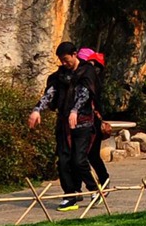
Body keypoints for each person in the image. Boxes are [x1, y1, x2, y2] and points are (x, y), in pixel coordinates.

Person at [28, 41, 98, 212]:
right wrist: (37, 110)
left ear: (75, 55)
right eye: (61, 61)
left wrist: (75, 110)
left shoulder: (87, 71)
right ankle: (70, 195)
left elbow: (85, 93)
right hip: (63, 123)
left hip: (83, 122)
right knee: (63, 160)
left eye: (66, 60)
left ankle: (94, 189)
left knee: (78, 159)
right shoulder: (60, 75)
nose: (64, 64)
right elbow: (50, 94)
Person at [78, 49, 110, 195]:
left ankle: (104, 181)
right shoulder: (85, 76)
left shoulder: (90, 78)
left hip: (92, 120)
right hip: (80, 120)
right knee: (80, 155)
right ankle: (75, 189)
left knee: (90, 155)